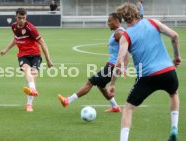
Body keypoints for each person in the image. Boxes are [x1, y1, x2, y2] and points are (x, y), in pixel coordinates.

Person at [107, 3, 181, 141]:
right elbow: (175, 36)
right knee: (173, 93)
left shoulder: (126, 35)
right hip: (168, 71)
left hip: (147, 76)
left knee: (128, 108)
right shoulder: (152, 22)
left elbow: (119, 62)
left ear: (123, 18)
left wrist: (112, 83)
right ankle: (174, 128)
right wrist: (176, 57)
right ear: (137, 12)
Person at [58, 13, 128, 112]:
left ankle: (67, 100)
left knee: (90, 82)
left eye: (109, 21)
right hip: (112, 64)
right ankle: (115, 107)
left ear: (116, 21)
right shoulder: (117, 32)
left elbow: (127, 51)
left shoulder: (119, 33)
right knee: (100, 85)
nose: (108, 23)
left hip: (114, 66)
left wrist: (123, 66)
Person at [0, 8, 54, 112]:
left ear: (26, 17)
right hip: (23, 55)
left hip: (35, 55)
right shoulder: (14, 26)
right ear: (16, 17)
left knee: (33, 75)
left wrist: (48, 60)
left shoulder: (31, 28)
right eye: (19, 18)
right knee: (26, 70)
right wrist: (6, 49)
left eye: (23, 18)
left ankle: (29, 104)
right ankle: (32, 89)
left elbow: (42, 43)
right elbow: (16, 39)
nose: (21, 20)